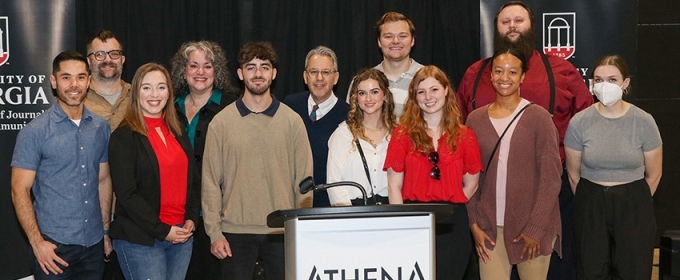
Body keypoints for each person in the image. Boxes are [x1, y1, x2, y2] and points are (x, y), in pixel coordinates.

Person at [456, 2, 593, 278]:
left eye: (519, 20)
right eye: (505, 22)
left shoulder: (561, 72)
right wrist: (473, 220)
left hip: (543, 195)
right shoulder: (475, 74)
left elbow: (586, 122)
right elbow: (460, 146)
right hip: (489, 203)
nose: (512, 26)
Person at [202, 42, 313, 280]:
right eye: (251, 67)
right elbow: (210, 181)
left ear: (273, 73)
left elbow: (304, 183)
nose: (258, 73)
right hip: (233, 234)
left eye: (264, 67)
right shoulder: (221, 123)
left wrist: (300, 229)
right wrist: (214, 233)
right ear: (241, 74)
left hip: (281, 232)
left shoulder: (292, 122)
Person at [11, 50, 112, 279]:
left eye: (80, 77)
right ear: (54, 81)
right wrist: (37, 244)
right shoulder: (35, 132)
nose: (74, 84)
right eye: (66, 77)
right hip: (54, 249)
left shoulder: (100, 127)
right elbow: (19, 190)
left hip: (94, 246)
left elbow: (104, 180)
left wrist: (105, 231)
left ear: (88, 81)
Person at [465, 47, 562, 279]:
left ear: (522, 77)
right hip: (489, 230)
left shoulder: (539, 118)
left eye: (512, 72)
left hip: (531, 229)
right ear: (490, 76)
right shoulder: (474, 120)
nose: (504, 78)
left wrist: (536, 228)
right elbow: (468, 177)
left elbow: (551, 178)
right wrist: (474, 225)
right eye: (499, 71)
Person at [564, 55, 662, 280]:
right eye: (598, 79)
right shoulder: (580, 122)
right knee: (590, 270)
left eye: (611, 79)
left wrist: (633, 201)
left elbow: (655, 174)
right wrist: (594, 199)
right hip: (591, 203)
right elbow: (573, 174)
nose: (604, 85)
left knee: (633, 271)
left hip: (633, 204)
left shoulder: (644, 121)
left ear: (625, 83)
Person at [384, 65, 482, 279]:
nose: (428, 97)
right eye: (421, 91)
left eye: (434, 89)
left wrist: (451, 203)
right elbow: (394, 185)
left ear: (446, 90)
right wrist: (402, 224)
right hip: (413, 221)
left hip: (453, 226)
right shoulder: (402, 135)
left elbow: (472, 184)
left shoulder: (466, 136)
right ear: (414, 97)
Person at [107, 63, 199, 279]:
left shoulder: (178, 131)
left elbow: (193, 180)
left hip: (181, 236)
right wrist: (163, 231)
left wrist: (192, 218)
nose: (154, 94)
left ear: (169, 92)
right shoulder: (123, 137)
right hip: (142, 239)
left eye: (161, 87)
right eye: (147, 88)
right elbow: (127, 195)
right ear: (136, 92)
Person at [170, 40, 239, 279]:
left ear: (216, 71)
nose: (200, 72)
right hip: (176, 215)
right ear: (184, 70)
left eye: (207, 66)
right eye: (193, 66)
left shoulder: (233, 107)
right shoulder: (169, 106)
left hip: (219, 216)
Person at [283, 46, 349, 207]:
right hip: (292, 202)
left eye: (326, 72)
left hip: (331, 205)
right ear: (305, 77)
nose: (319, 78)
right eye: (313, 72)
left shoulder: (349, 115)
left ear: (336, 77)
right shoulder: (289, 106)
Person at [327, 68, 396, 206]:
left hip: (391, 211)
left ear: (385, 95)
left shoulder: (397, 134)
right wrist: (349, 220)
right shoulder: (343, 134)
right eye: (362, 93)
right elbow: (334, 184)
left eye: (374, 92)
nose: (369, 99)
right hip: (353, 212)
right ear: (356, 98)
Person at [347, 11, 424, 118]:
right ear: (379, 42)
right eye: (388, 36)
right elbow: (353, 123)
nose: (396, 41)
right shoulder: (362, 82)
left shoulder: (429, 79)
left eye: (402, 36)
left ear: (412, 41)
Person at [85, 30, 132, 131]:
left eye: (114, 54)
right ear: (89, 61)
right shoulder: (78, 98)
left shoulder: (137, 96)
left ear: (122, 60)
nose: (107, 60)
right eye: (100, 54)